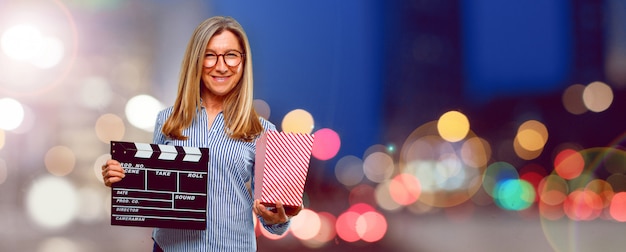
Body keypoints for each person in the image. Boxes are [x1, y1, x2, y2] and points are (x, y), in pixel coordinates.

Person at [101, 16, 301, 251]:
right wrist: (123, 179)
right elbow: (153, 194)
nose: (221, 66)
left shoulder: (263, 132)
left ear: (243, 62)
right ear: (196, 60)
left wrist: (277, 219)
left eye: (231, 55)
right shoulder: (167, 120)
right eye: (210, 55)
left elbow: (273, 222)